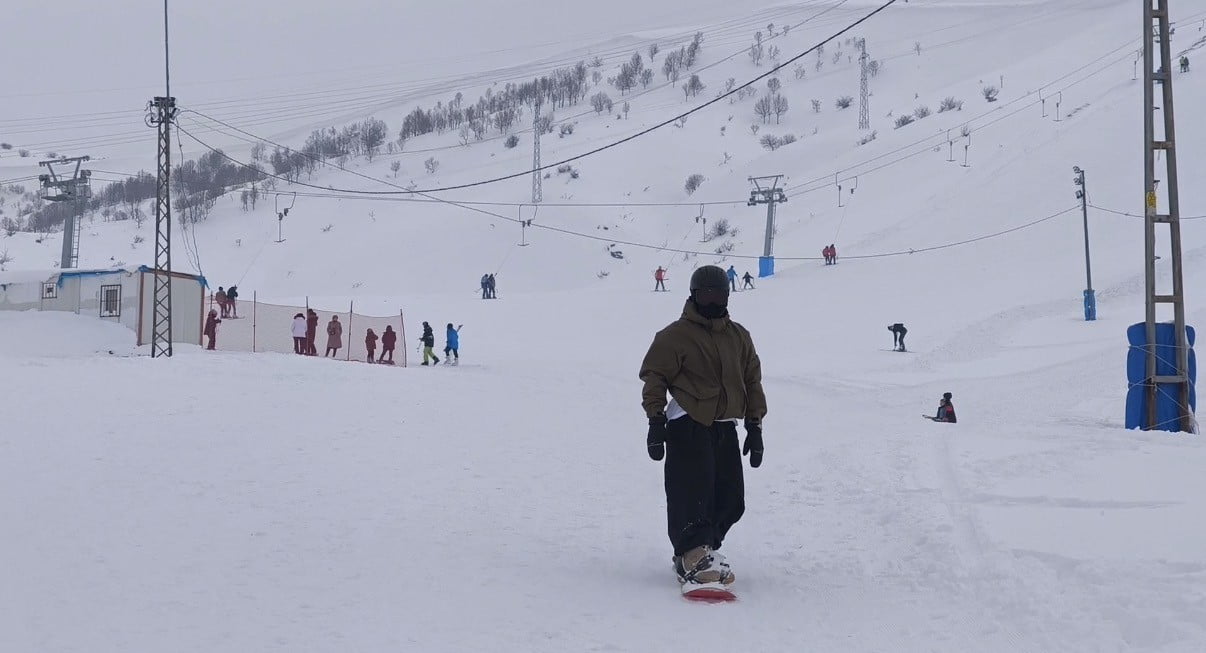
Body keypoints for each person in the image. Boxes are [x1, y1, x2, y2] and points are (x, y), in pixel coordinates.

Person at [639, 264, 768, 589]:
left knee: (730, 498)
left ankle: (701, 549)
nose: (712, 301)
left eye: (719, 294)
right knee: (692, 493)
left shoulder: (739, 336)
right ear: (694, 296)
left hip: (725, 425)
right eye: (705, 295)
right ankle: (692, 552)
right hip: (688, 422)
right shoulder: (675, 336)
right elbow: (655, 376)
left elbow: (752, 380)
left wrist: (755, 426)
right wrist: (656, 421)